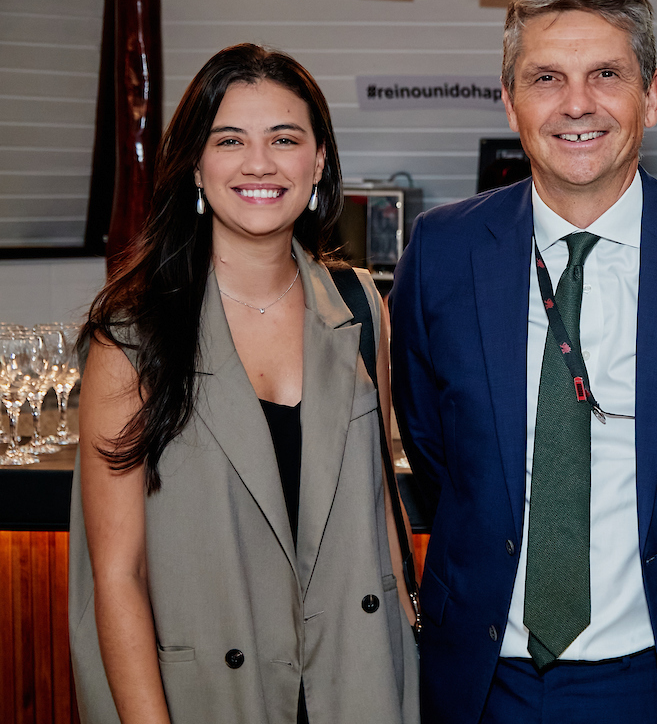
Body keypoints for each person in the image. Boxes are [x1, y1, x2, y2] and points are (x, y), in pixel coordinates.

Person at [390, 0, 657, 724]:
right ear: (510, 99)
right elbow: (436, 448)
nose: (576, 104)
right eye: (546, 77)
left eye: (605, 75)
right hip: (485, 678)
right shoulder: (442, 253)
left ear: (651, 94)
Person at [68, 44, 419, 724]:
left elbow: (379, 506)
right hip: (210, 692)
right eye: (230, 140)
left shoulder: (358, 302)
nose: (259, 164)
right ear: (196, 165)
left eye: (284, 139)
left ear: (317, 162)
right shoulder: (133, 333)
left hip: (361, 677)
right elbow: (117, 577)